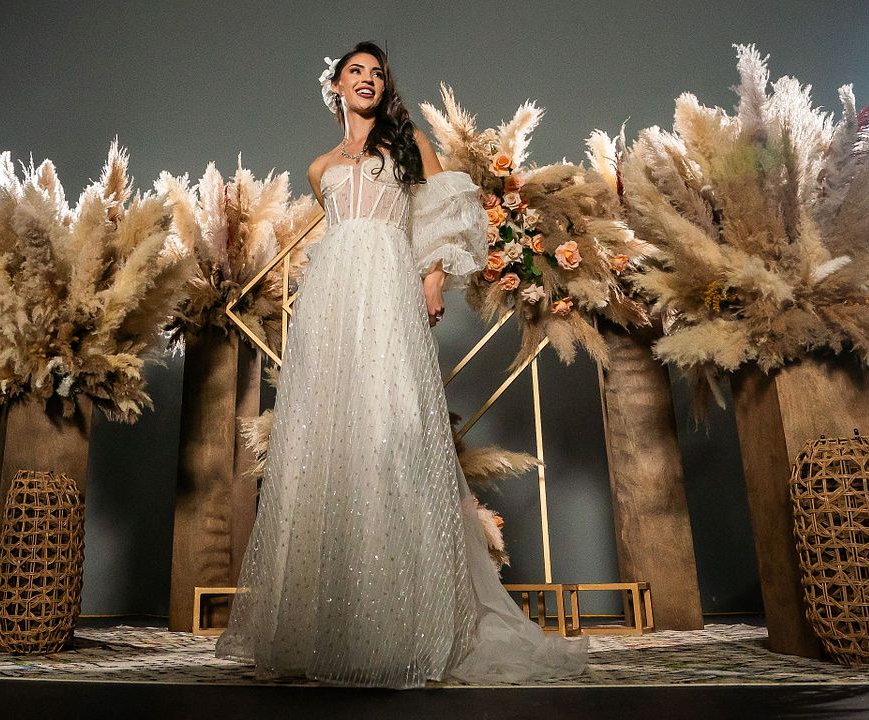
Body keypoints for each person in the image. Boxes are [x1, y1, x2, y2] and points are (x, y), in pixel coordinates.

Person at [213, 41, 589, 687]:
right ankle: (327, 626)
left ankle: (406, 621)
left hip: (389, 288)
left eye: (376, 73)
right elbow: (336, 235)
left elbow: (440, 213)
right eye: (354, 72)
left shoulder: (408, 142)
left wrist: (435, 277)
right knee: (333, 438)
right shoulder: (319, 167)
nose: (366, 80)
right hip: (333, 302)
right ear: (335, 86)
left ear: (386, 88)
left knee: (394, 431)